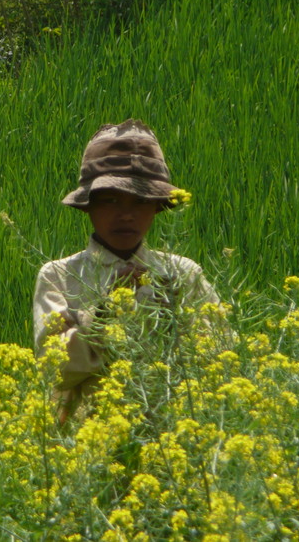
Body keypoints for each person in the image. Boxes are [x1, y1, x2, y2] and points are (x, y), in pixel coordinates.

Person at [32, 119, 221, 422]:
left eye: (141, 201)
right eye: (110, 200)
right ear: (88, 206)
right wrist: (104, 314)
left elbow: (217, 361)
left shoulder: (183, 274)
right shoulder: (59, 276)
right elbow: (55, 370)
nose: (126, 214)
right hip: (85, 447)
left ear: (159, 207)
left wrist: (170, 323)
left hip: (171, 440)